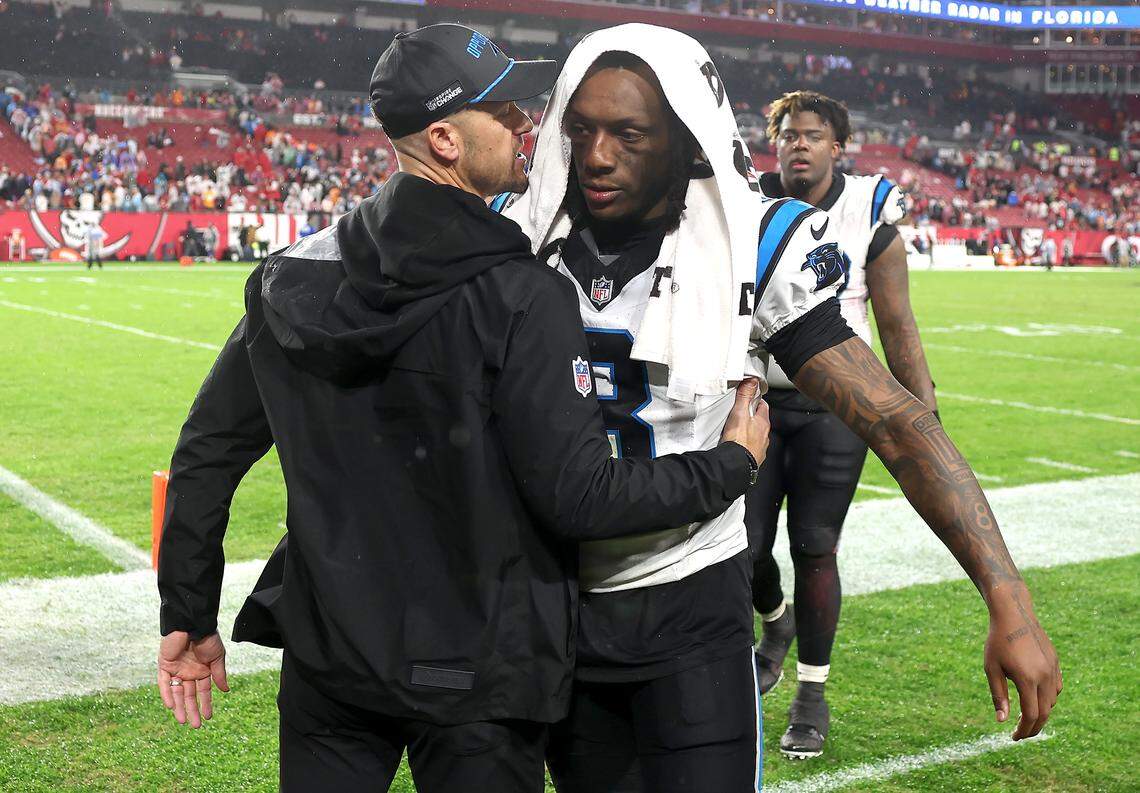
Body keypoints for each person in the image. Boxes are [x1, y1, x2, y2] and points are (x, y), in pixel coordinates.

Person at [154, 24, 770, 793]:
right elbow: (578, 495)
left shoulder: (294, 275)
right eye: (505, 109)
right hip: (479, 672)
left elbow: (208, 451)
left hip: (331, 654)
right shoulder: (524, 296)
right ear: (445, 138)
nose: (528, 126)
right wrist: (730, 464)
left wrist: (188, 610)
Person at [501, 24, 1060, 792]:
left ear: (687, 140)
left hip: (689, 597)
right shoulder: (519, 230)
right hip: (553, 606)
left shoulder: (751, 241)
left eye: (629, 133)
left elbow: (896, 424)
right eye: (584, 130)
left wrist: (1009, 597)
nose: (597, 155)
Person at [747, 90, 940, 759]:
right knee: (740, 546)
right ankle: (775, 622)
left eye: (813, 134)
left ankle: (811, 693)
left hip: (838, 406)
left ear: (839, 146)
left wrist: (926, 422)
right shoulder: (745, 200)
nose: (799, 143)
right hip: (757, 398)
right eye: (789, 133)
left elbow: (897, 323)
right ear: (774, 143)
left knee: (815, 544)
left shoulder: (870, 209)